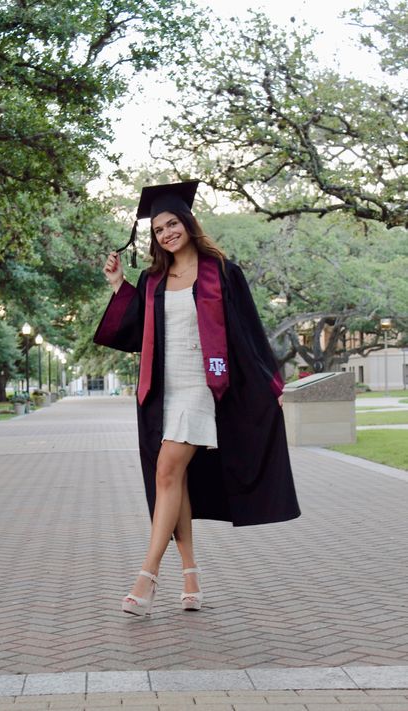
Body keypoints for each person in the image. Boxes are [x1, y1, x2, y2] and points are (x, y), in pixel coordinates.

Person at [94, 180, 300, 617]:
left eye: (172, 224)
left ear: (187, 223)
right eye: (158, 229)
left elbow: (248, 331)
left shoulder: (222, 272)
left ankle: (146, 577)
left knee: (167, 469)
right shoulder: (152, 281)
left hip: (203, 387)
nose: (166, 233)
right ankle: (190, 575)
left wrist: (273, 386)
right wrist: (118, 286)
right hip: (160, 391)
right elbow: (137, 331)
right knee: (174, 480)